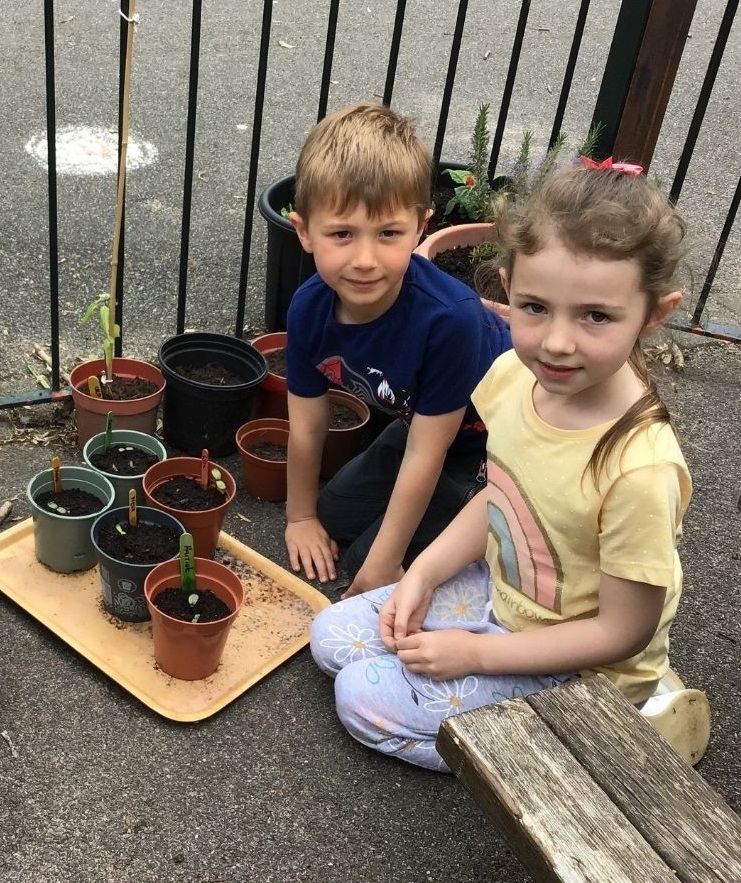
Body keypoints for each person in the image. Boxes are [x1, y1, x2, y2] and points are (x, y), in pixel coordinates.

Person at [306, 159, 700, 772]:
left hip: (580, 665)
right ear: (508, 285)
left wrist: (475, 656)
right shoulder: (515, 375)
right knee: (331, 636)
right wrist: (425, 573)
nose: (557, 342)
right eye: (535, 307)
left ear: (654, 313)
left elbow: (623, 631)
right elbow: (500, 494)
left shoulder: (639, 468)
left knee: (359, 698)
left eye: (595, 315)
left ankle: (588, 743)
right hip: (504, 596)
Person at [283, 102, 511, 598]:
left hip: (491, 445)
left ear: (420, 227)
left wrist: (385, 564)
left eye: (388, 234)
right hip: (420, 424)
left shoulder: (450, 319)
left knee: (369, 561)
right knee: (331, 516)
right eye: (342, 234)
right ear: (303, 231)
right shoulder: (307, 309)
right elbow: (306, 422)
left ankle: (495, 508)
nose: (365, 260)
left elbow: (429, 454)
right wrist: (299, 516)